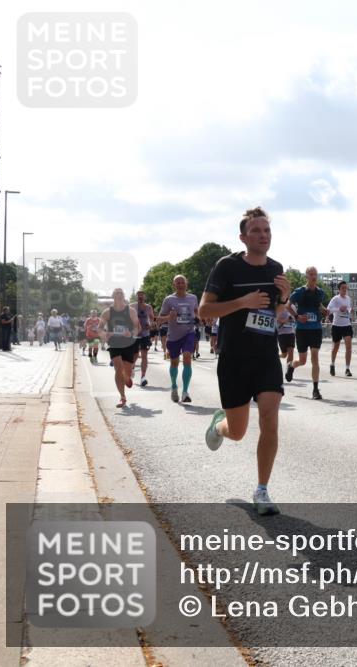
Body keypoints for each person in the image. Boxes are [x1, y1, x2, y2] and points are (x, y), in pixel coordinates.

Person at [200, 207, 291, 516]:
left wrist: (284, 299)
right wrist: (242, 303)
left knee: (270, 420)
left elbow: (275, 315)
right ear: (243, 236)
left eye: (266, 230)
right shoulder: (227, 267)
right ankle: (220, 425)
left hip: (266, 356)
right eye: (256, 231)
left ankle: (262, 489)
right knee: (238, 432)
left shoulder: (276, 269)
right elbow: (204, 311)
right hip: (234, 358)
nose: (263, 235)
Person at [286, 266, 328, 399]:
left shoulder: (320, 292)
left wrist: (323, 309)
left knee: (315, 357)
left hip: (315, 329)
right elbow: (287, 305)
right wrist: (297, 316)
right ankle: (291, 365)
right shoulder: (299, 292)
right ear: (306, 277)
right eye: (311, 274)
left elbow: (318, 305)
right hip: (302, 330)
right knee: (303, 361)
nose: (313, 276)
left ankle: (315, 390)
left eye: (315, 274)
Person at [159, 275, 200, 403]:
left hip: (189, 333)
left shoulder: (193, 298)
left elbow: (196, 311)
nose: (180, 284)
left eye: (182, 282)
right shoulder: (169, 300)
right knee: (174, 363)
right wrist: (168, 317)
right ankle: (174, 387)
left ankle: (185, 392)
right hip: (174, 336)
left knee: (187, 357)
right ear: (174, 285)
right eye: (178, 282)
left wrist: (199, 317)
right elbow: (160, 318)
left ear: (186, 284)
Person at [100, 288, 140, 409]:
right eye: (116, 294)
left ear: (124, 296)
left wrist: (131, 333)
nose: (119, 296)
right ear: (113, 296)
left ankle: (128, 375)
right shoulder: (107, 312)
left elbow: (137, 328)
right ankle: (122, 397)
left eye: (121, 294)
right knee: (118, 369)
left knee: (126, 371)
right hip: (115, 344)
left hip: (128, 343)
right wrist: (105, 334)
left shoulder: (131, 311)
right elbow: (99, 328)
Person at [327, 281, 354, 377]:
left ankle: (347, 368)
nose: (345, 290)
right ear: (339, 289)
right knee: (336, 347)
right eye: (343, 288)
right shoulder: (335, 299)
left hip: (347, 325)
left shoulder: (348, 299)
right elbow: (328, 310)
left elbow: (349, 308)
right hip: (337, 325)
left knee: (349, 347)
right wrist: (339, 309)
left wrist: (350, 310)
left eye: (346, 288)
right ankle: (332, 364)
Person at [132, 291, 156, 387]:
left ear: (144, 297)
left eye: (142, 297)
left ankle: (143, 377)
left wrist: (150, 325)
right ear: (137, 297)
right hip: (134, 335)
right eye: (139, 297)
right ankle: (132, 368)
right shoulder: (132, 306)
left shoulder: (148, 307)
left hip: (145, 335)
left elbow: (152, 319)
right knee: (135, 355)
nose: (140, 298)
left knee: (144, 356)